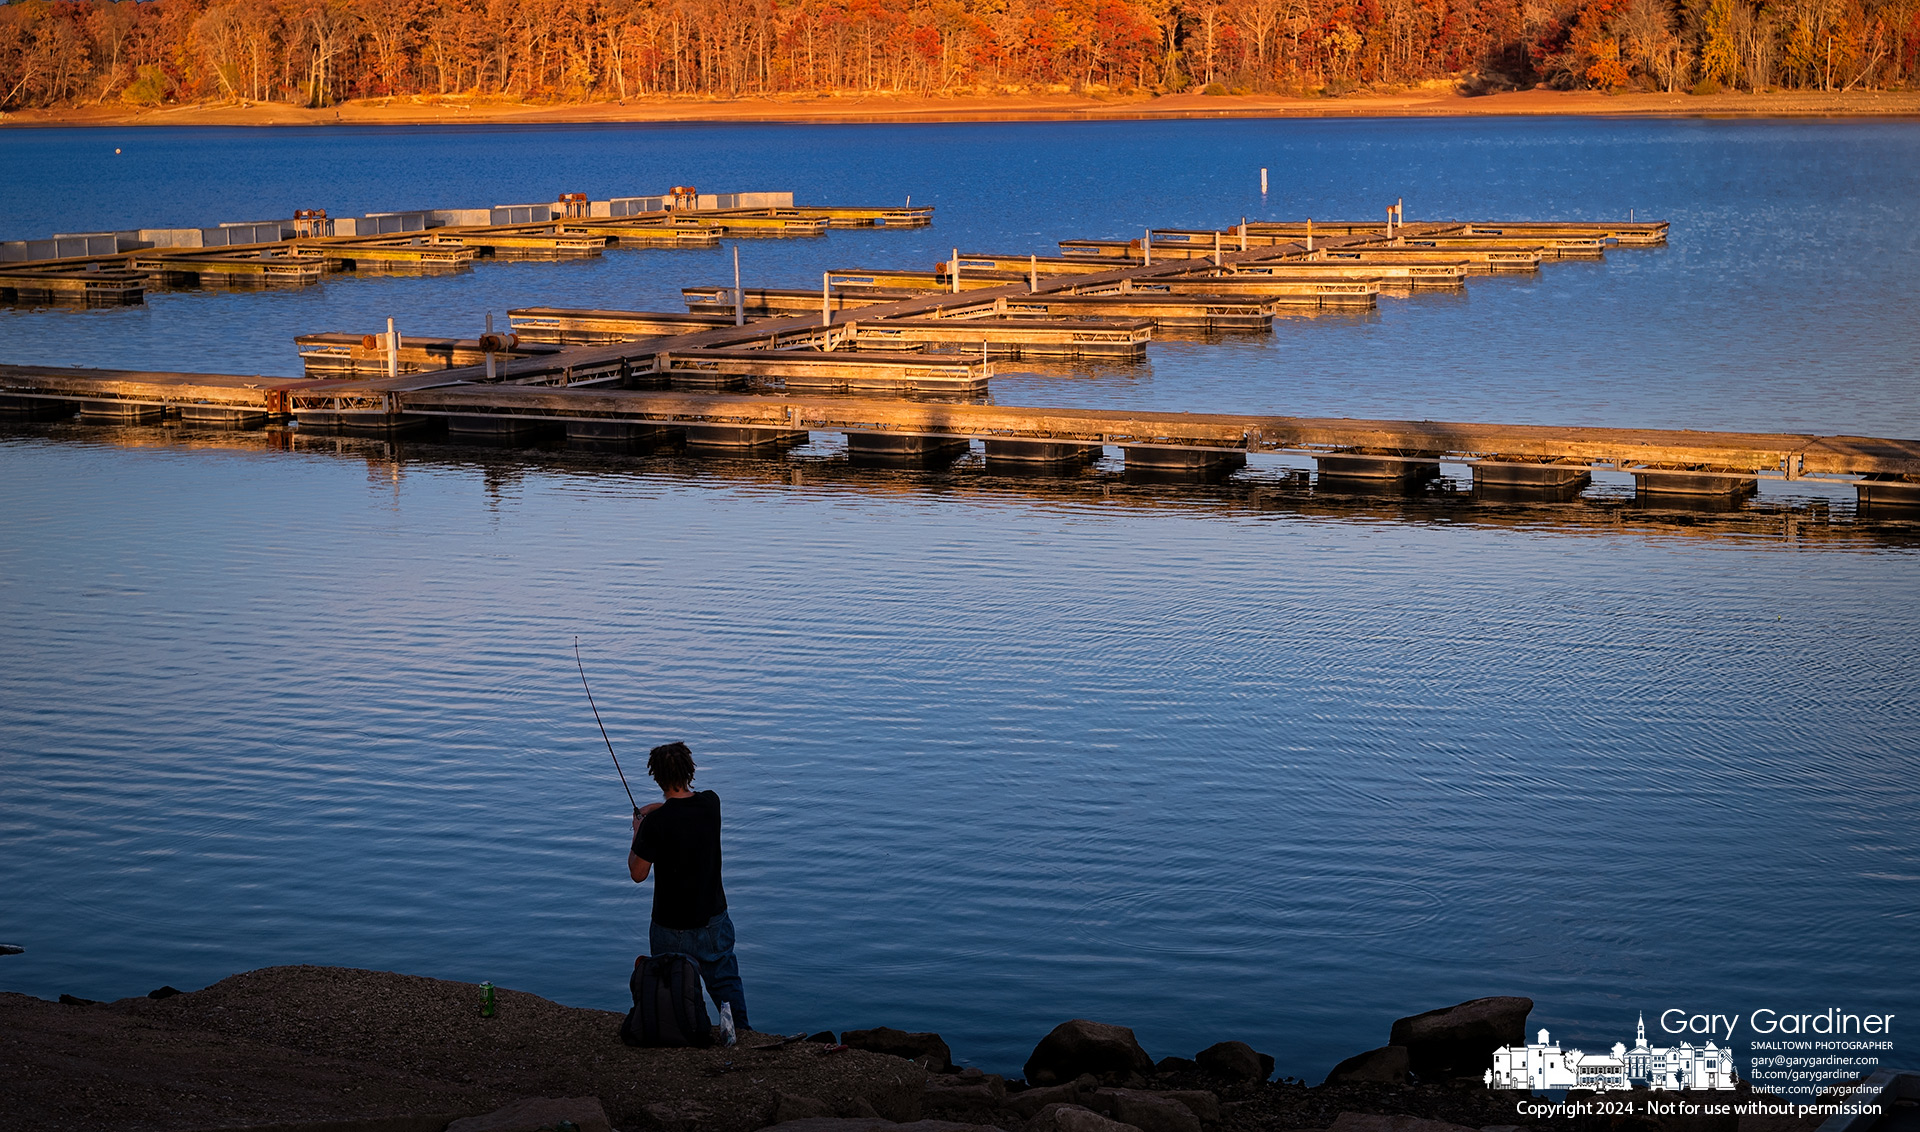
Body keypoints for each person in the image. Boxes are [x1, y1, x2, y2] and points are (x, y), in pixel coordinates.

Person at [628, 740, 749, 1032]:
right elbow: (683, 808)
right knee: (724, 980)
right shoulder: (711, 804)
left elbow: (637, 872)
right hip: (712, 920)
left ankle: (681, 1031)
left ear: (656, 777)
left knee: (672, 983)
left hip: (669, 926)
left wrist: (638, 830)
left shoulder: (655, 826)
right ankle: (738, 1034)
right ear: (690, 771)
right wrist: (654, 812)